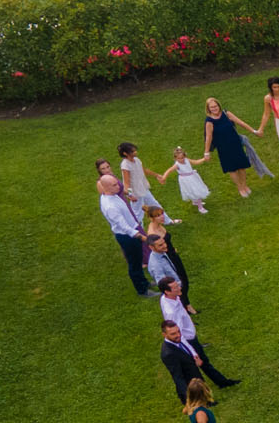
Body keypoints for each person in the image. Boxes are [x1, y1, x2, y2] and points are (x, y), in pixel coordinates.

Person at [159, 280, 238, 387]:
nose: (179, 288)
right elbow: (179, 336)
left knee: (203, 364)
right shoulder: (171, 312)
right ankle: (207, 394)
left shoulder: (168, 298)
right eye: (175, 287)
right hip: (188, 340)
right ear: (167, 291)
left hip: (189, 337)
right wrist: (194, 354)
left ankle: (221, 382)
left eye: (178, 285)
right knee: (196, 368)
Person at [98, 168, 153, 297]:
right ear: (105, 187)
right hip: (127, 236)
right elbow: (123, 226)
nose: (118, 186)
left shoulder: (112, 195)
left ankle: (144, 282)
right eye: (114, 185)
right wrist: (140, 236)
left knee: (138, 258)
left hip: (131, 231)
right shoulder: (110, 206)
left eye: (117, 183)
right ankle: (142, 290)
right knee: (134, 263)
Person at [201, 98, 258, 199]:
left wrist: (253, 131)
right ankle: (240, 188)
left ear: (219, 105)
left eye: (215, 106)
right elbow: (208, 137)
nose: (214, 108)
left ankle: (244, 185)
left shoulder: (226, 114)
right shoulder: (209, 121)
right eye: (212, 107)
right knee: (232, 169)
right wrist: (206, 152)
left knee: (241, 165)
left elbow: (240, 122)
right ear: (208, 109)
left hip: (235, 144)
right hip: (223, 148)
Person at [118, 142, 175, 225]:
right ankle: (139, 232)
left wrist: (156, 175)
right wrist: (130, 195)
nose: (135, 152)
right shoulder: (125, 165)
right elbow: (126, 182)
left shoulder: (137, 160)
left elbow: (144, 170)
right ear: (125, 153)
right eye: (132, 151)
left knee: (155, 204)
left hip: (143, 188)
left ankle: (168, 221)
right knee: (138, 214)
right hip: (136, 193)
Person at [169, 146, 213, 214]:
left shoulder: (187, 160)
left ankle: (196, 202)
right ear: (175, 158)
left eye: (182, 157)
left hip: (193, 177)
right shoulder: (177, 165)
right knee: (194, 191)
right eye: (179, 158)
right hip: (186, 180)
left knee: (196, 189)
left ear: (185, 156)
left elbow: (196, 162)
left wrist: (204, 159)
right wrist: (163, 177)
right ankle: (200, 207)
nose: (181, 159)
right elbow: (169, 170)